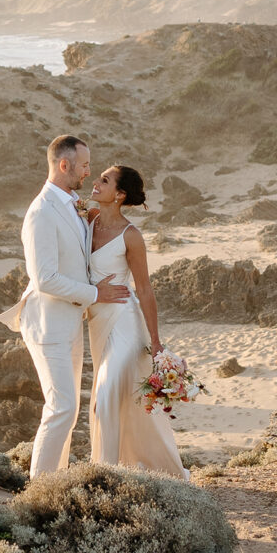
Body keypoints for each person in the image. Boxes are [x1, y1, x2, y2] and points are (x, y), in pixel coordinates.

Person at [0, 135, 130, 478]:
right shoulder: (41, 212)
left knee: (67, 412)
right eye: (84, 165)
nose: (89, 172)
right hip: (47, 322)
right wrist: (94, 293)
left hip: (70, 321)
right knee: (61, 407)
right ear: (64, 165)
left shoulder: (73, 204)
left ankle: (55, 482)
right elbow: (45, 279)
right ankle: (39, 490)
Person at [87, 164, 188, 478]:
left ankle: (106, 474)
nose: (95, 182)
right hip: (97, 322)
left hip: (125, 321)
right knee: (121, 400)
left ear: (119, 194)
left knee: (104, 397)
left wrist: (155, 342)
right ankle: (138, 467)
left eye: (104, 180)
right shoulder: (86, 219)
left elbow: (144, 289)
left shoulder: (131, 236)